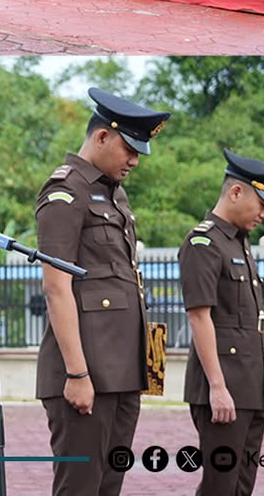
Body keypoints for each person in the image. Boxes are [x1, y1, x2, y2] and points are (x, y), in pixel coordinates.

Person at [36, 88, 171, 496]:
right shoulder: (65, 191)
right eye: (129, 149)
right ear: (100, 137)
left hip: (123, 373)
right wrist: (77, 374)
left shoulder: (114, 194)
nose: (134, 161)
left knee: (109, 487)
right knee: (80, 487)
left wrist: (147, 370)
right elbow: (57, 288)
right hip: (86, 374)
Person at [179, 148, 264, 496]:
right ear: (236, 192)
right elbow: (200, 317)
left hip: (248, 388)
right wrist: (217, 388)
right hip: (222, 387)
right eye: (261, 204)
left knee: (242, 487)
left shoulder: (239, 244)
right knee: (220, 486)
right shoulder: (204, 243)